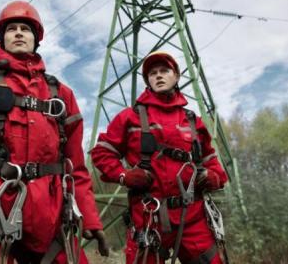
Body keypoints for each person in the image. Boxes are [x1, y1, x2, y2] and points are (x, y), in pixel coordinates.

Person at [0, 1, 109, 264]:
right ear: (2, 38)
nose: (18, 33)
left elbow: (75, 168)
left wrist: (91, 219)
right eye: (12, 29)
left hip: (54, 223)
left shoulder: (61, 95)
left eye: (25, 29)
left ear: (36, 39)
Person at [91, 51, 228, 264]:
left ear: (176, 76)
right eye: (153, 73)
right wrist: (123, 176)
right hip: (147, 216)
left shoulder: (192, 121)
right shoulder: (130, 117)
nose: (159, 76)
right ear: (148, 81)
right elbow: (101, 153)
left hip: (192, 216)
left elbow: (210, 157)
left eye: (164, 71)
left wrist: (215, 177)